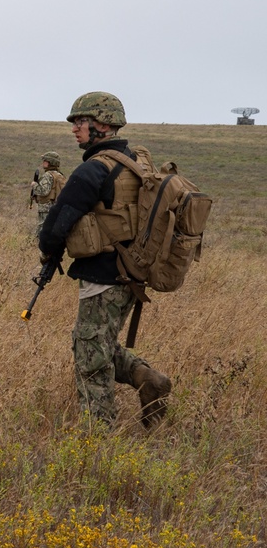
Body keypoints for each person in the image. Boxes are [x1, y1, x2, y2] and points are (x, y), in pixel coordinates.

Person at [37, 92, 172, 429]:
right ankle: (147, 378)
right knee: (96, 343)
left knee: (90, 358)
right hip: (132, 273)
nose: (74, 129)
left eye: (80, 122)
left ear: (102, 124)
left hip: (104, 276)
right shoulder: (136, 162)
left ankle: (99, 437)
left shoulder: (94, 169)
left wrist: (48, 247)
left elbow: (54, 227)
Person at [29, 151, 65, 238]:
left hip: (45, 208)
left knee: (41, 231)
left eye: (45, 160)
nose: (43, 162)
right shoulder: (59, 175)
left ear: (50, 162)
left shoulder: (48, 175)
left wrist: (35, 185)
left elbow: (44, 191)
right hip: (54, 206)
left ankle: (34, 247)